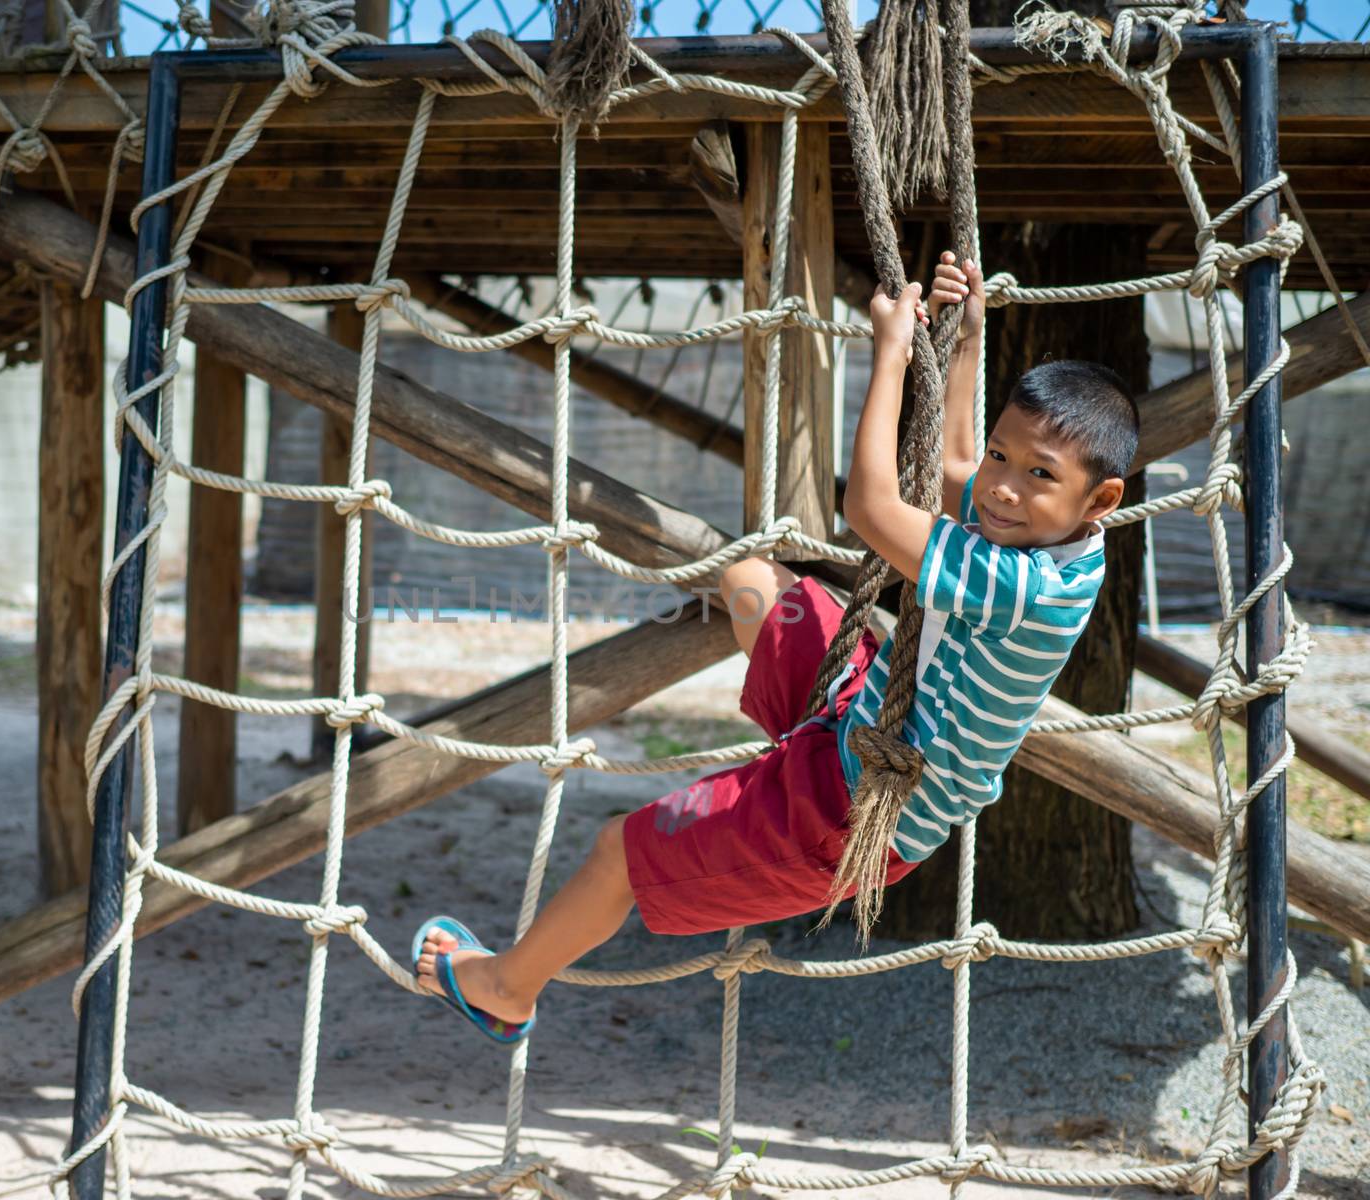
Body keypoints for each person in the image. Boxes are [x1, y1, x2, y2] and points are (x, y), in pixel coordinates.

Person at [409, 252, 1139, 1044]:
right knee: (754, 583)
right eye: (1007, 455)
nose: (1003, 487)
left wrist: (890, 351)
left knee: (618, 850)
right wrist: (966, 344)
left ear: (1100, 500)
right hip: (860, 715)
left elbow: (871, 506)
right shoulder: (1045, 531)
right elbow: (958, 465)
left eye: (1038, 474)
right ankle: (779, 757)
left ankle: (506, 989)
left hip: (853, 813)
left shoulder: (1024, 585)